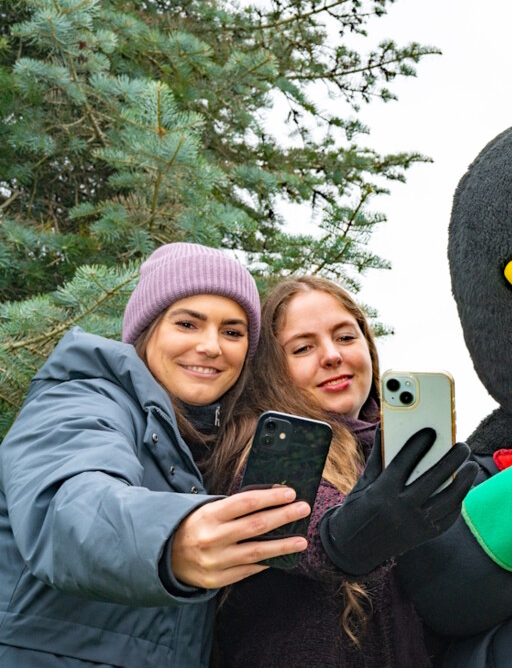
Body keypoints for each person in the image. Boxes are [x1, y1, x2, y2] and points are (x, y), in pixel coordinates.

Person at [0, 242, 312, 667]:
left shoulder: (214, 444)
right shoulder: (83, 396)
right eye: (187, 323)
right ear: (147, 330)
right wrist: (171, 541)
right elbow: (67, 505)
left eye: (232, 331)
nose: (211, 346)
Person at [209, 275, 477, 668]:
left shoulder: (389, 446)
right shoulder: (272, 447)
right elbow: (306, 534)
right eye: (303, 347)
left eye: (346, 337)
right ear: (272, 370)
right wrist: (353, 533)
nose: (332, 355)